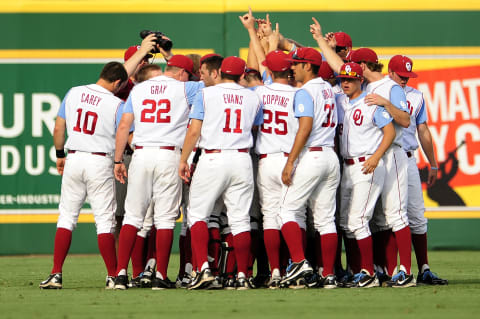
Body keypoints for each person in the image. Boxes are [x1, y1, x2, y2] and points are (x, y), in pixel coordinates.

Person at [113, 54, 203, 290]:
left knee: (133, 217)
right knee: (164, 219)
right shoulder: (187, 88)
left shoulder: (139, 88)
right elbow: (217, 84)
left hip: (141, 153)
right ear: (182, 72)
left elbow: (124, 126)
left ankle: (120, 274)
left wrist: (117, 160)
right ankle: (160, 275)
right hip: (168, 154)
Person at [39, 62, 128, 289]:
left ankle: (56, 273)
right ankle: (112, 276)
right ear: (117, 83)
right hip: (99, 160)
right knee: (105, 222)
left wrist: (60, 154)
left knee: (66, 217)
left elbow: (59, 128)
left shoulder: (74, 92)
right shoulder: (117, 104)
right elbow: (124, 135)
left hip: (74, 157)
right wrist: (119, 160)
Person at [179, 55, 263, 290]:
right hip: (242, 157)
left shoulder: (205, 94)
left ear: (219, 72)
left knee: (197, 215)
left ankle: (203, 270)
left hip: (213, 156)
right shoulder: (253, 97)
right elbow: (255, 125)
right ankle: (243, 276)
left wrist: (183, 159)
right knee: (240, 220)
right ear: (241, 75)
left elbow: (194, 131)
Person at [278, 47, 340, 289]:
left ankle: (299, 262)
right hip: (330, 157)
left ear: (308, 66)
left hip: (312, 155)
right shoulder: (326, 87)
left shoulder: (305, 92)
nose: (292, 67)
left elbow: (305, 127)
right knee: (326, 221)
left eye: (296, 63)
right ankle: (329, 275)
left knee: (285, 212)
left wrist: (291, 160)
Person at [388, 55, 448, 285]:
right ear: (390, 72)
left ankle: (424, 268)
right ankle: (392, 270)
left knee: (417, 216)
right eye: (401, 75)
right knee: (390, 216)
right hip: (387, 158)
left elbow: (423, 130)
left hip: (409, 158)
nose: (404, 80)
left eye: (408, 76)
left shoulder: (416, 96)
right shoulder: (381, 90)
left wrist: (432, 163)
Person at [336, 62, 396, 288]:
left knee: (358, 220)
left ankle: (369, 272)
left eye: (350, 79)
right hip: (347, 166)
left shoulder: (370, 102)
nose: (346, 83)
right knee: (345, 222)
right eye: (343, 79)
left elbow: (389, 133)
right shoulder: (340, 101)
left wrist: (376, 156)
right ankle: (356, 270)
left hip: (367, 164)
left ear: (361, 79)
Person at [253, 50, 298, 288]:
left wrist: (252, 33)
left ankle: (276, 271)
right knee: (294, 215)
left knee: (270, 217)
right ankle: (295, 266)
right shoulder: (299, 94)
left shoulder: (259, 92)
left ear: (270, 70)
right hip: (291, 160)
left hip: (266, 160)